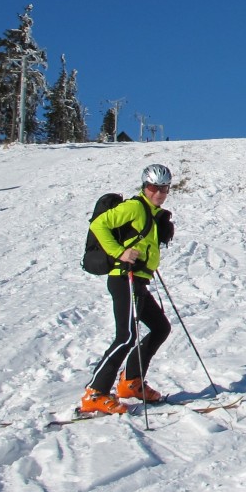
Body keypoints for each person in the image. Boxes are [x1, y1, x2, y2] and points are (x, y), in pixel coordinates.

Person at [80, 163, 176, 414]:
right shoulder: (134, 207)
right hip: (124, 279)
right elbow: (98, 225)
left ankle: (131, 382)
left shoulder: (153, 214)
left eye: (164, 188)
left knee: (160, 327)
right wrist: (119, 252)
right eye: (154, 187)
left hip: (139, 280)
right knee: (126, 336)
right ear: (145, 186)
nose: (159, 192)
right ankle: (95, 393)